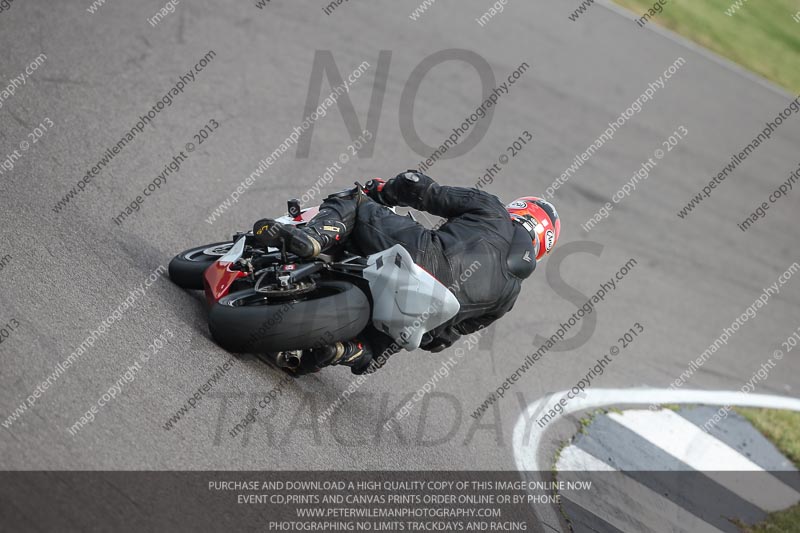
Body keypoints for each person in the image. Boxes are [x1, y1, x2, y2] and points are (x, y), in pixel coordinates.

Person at [253, 171, 560, 375]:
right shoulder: (509, 296)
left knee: (356, 202)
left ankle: (314, 238)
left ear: (518, 210)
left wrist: (386, 190)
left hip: (421, 253)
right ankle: (349, 349)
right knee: (389, 343)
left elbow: (424, 190)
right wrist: (431, 331)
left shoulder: (493, 210)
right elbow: (441, 341)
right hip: (425, 313)